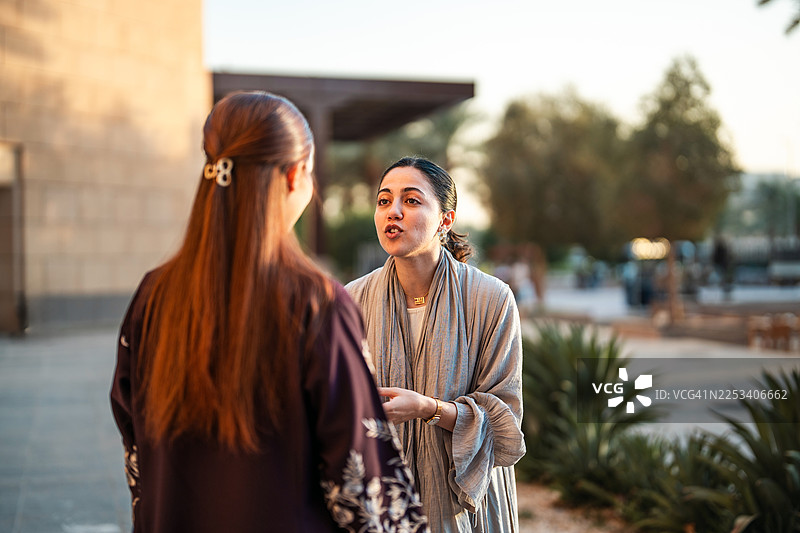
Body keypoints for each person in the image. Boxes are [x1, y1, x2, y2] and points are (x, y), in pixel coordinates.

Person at [110, 92, 428, 532]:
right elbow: (363, 489)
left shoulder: (152, 296)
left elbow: (137, 456)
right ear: (297, 174)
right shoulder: (317, 304)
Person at [346, 157, 525, 532]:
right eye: (384, 201)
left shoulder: (490, 299)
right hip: (381, 499)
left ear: (446, 220)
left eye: (411, 201)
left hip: (463, 507)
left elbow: (504, 422)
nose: (393, 211)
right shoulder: (352, 301)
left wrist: (430, 409)